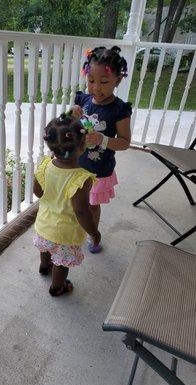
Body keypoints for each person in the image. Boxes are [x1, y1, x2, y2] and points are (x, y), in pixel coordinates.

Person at [72, 45, 132, 253]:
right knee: (75, 200)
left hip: (98, 169)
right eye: (91, 81)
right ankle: (76, 226)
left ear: (118, 79)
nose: (96, 88)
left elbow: (124, 142)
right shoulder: (84, 100)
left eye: (104, 82)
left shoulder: (120, 109)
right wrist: (71, 114)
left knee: (92, 204)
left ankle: (93, 233)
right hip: (77, 165)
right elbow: (68, 125)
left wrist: (102, 140)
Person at [33, 114, 101, 297]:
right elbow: (81, 211)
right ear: (83, 145)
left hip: (43, 224)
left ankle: (44, 267)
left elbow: (38, 192)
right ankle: (57, 287)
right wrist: (94, 232)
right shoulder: (81, 178)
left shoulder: (45, 165)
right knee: (61, 263)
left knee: (46, 248)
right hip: (65, 233)